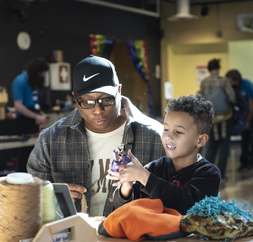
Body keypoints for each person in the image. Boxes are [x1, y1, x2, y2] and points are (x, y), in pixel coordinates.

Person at [27, 55, 165, 217]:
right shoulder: (50, 140)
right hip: (69, 238)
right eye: (87, 102)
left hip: (134, 239)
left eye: (106, 100)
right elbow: (28, 200)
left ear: (118, 91)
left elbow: (175, 200)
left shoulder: (155, 137)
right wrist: (50, 196)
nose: (98, 110)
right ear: (75, 98)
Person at [107, 94, 221, 215]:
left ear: (200, 140)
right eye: (166, 129)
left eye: (178, 132)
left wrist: (145, 177)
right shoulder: (155, 168)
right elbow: (123, 208)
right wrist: (126, 186)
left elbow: (186, 203)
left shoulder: (209, 173)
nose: (168, 136)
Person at [199, 58, 236, 180]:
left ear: (209, 69)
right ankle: (221, 174)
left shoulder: (204, 82)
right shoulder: (223, 81)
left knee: (212, 145)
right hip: (225, 117)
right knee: (224, 145)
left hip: (212, 117)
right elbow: (232, 97)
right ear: (219, 69)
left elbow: (202, 100)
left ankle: (208, 173)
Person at [12, 57, 50, 172]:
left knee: (37, 155)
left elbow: (35, 103)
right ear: (36, 72)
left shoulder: (34, 82)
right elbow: (18, 106)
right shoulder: (20, 81)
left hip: (34, 120)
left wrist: (41, 115)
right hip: (24, 122)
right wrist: (35, 116)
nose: (42, 76)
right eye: (41, 73)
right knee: (26, 155)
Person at [225, 69, 253, 177]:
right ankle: (243, 163)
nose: (230, 84)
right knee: (244, 138)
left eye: (231, 81)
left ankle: (252, 163)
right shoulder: (233, 88)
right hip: (244, 113)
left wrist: (249, 121)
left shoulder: (247, 85)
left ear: (237, 80)